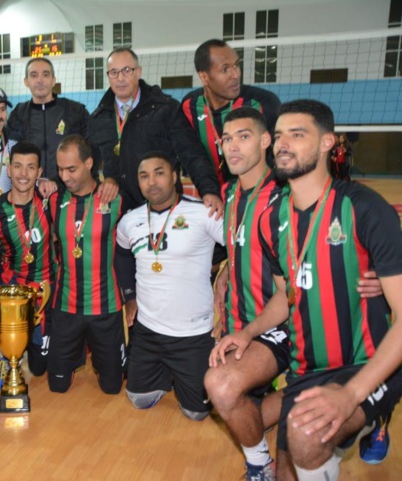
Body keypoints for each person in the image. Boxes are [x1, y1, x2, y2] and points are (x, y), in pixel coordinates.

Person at [211, 99, 402, 481]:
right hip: (304, 355)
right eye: (280, 135)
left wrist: (350, 395)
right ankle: (264, 459)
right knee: (220, 383)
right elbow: (290, 293)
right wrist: (246, 332)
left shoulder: (364, 210)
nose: (283, 144)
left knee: (304, 433)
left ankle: (373, 416)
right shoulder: (274, 217)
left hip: (362, 361)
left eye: (297, 135)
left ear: (329, 142)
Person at [203, 107, 288, 480]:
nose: (232, 146)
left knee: (220, 386)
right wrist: (223, 277)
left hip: (287, 324)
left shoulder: (284, 198)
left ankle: (259, 465)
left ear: (266, 140)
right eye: (227, 139)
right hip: (244, 319)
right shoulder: (233, 193)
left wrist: (247, 333)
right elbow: (241, 250)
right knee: (221, 400)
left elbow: (287, 294)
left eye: (244, 136)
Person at [116, 152, 223, 421]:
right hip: (149, 332)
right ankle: (166, 374)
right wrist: (129, 296)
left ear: (175, 176)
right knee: (139, 399)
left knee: (196, 412)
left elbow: (240, 247)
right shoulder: (131, 220)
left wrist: (225, 271)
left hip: (194, 334)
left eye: (159, 172)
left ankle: (183, 375)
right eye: (144, 176)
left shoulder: (204, 213)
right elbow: (121, 254)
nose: (152, 181)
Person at [88, 47, 222, 215]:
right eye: (114, 72)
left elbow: (192, 154)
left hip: (164, 211)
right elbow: (87, 165)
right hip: (121, 214)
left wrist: (209, 190)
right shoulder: (98, 118)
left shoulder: (166, 110)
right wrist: (107, 181)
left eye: (127, 70)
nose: (120, 78)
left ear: (139, 72)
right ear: (108, 76)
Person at [47, 134, 126, 394]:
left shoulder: (114, 198)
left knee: (112, 387)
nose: (65, 176)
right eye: (60, 169)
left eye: (72, 168)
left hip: (105, 306)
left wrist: (112, 179)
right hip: (65, 307)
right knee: (57, 386)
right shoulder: (55, 200)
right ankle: (74, 358)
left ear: (89, 163)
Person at [0, 141, 57, 376]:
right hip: (13, 292)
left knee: (41, 369)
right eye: (18, 166)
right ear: (8, 169)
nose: (23, 174)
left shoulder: (50, 201)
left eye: (31, 168)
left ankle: (32, 340)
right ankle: (1, 347)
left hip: (46, 289)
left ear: (39, 173)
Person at [181, 39, 281, 185]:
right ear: (204, 77)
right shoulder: (189, 105)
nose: (235, 74)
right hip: (215, 196)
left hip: (260, 193)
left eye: (236, 65)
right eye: (225, 69)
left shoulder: (263, 103)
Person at [7, 58, 89, 186]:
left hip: (67, 189)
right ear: (26, 81)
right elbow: (12, 153)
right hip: (30, 190)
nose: (40, 80)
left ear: (53, 80)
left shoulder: (75, 111)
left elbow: (90, 150)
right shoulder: (19, 114)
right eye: (34, 75)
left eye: (45, 74)